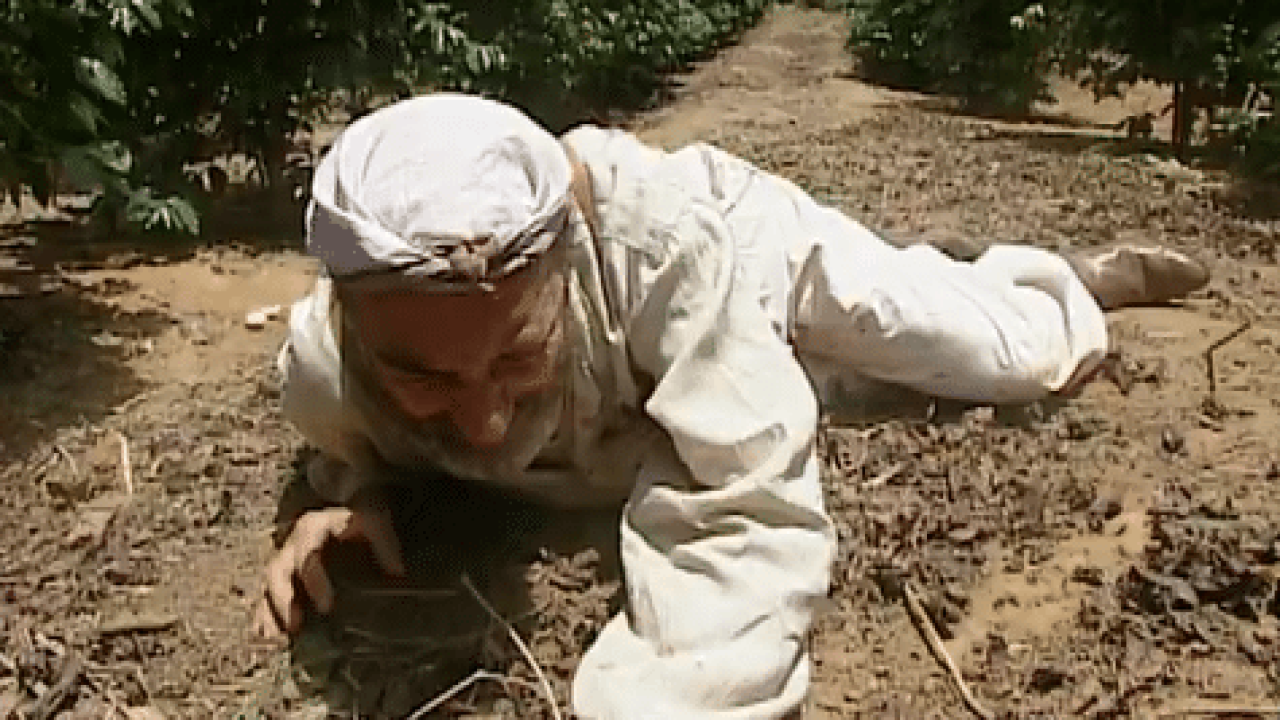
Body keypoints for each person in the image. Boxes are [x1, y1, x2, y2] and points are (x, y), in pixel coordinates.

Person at [252, 93, 1208, 718]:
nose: (485, 425)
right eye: (424, 379)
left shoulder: (661, 245)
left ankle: (1046, 281)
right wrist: (357, 492)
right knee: (848, 390)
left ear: (565, 264)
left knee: (988, 354)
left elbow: (746, 511)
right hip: (659, 370)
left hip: (747, 246)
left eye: (517, 353)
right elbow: (346, 449)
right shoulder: (322, 370)